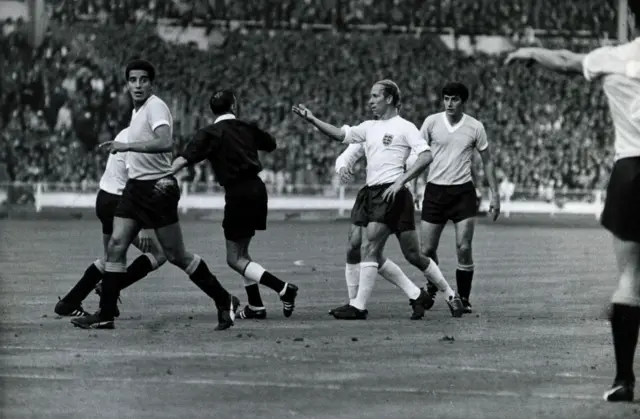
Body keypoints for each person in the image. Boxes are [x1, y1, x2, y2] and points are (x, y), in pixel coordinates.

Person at [505, 2, 640, 401]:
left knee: (630, 279)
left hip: (631, 171)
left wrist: (531, 52)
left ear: (631, 17)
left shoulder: (611, 58)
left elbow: (564, 60)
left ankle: (623, 380)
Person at [71, 60, 239, 331]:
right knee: (116, 246)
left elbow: (165, 143)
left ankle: (223, 299)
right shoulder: (137, 112)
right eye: (133, 80)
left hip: (159, 189)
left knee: (175, 255)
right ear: (127, 84)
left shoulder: (155, 107)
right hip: (135, 189)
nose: (138, 85)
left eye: (143, 80)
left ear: (151, 83)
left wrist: (127, 146)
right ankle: (105, 315)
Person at [293, 79, 463, 320]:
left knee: (371, 247)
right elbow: (340, 135)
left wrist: (400, 182)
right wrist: (312, 119)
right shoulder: (368, 127)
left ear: (389, 99)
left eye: (375, 96)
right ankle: (419, 295)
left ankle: (360, 307)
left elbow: (426, 156)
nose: (370, 101)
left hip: (391, 194)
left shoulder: (405, 127)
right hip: (370, 193)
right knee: (368, 247)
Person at [171, 90, 298, 320]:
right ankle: (256, 307)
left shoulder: (209, 133)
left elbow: (184, 159)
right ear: (234, 106)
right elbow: (271, 143)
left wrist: (161, 174)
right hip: (258, 190)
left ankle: (283, 288)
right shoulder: (246, 127)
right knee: (243, 253)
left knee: (234, 259)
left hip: (237, 193)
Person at [334, 142, 462, 320]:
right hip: (371, 196)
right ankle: (355, 303)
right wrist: (341, 167)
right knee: (356, 247)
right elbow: (346, 156)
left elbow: (421, 159)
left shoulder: (404, 131)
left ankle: (449, 294)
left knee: (411, 255)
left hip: (397, 198)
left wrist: (410, 183)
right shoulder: (369, 130)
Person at [55, 127, 167, 319]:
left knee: (111, 259)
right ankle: (109, 292)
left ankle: (70, 302)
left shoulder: (126, 133)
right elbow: (137, 183)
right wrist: (146, 226)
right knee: (161, 252)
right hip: (120, 203)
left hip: (105, 199)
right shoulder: (139, 142)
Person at [420, 82, 501, 314]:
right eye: (446, 99)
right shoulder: (431, 122)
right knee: (426, 250)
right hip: (435, 191)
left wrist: (495, 195)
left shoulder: (475, 127)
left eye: (454, 99)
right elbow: (418, 153)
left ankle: (464, 299)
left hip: (463, 193)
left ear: (463, 101)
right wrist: (415, 185)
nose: (449, 104)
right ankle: (435, 285)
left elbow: (487, 161)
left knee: (463, 247)